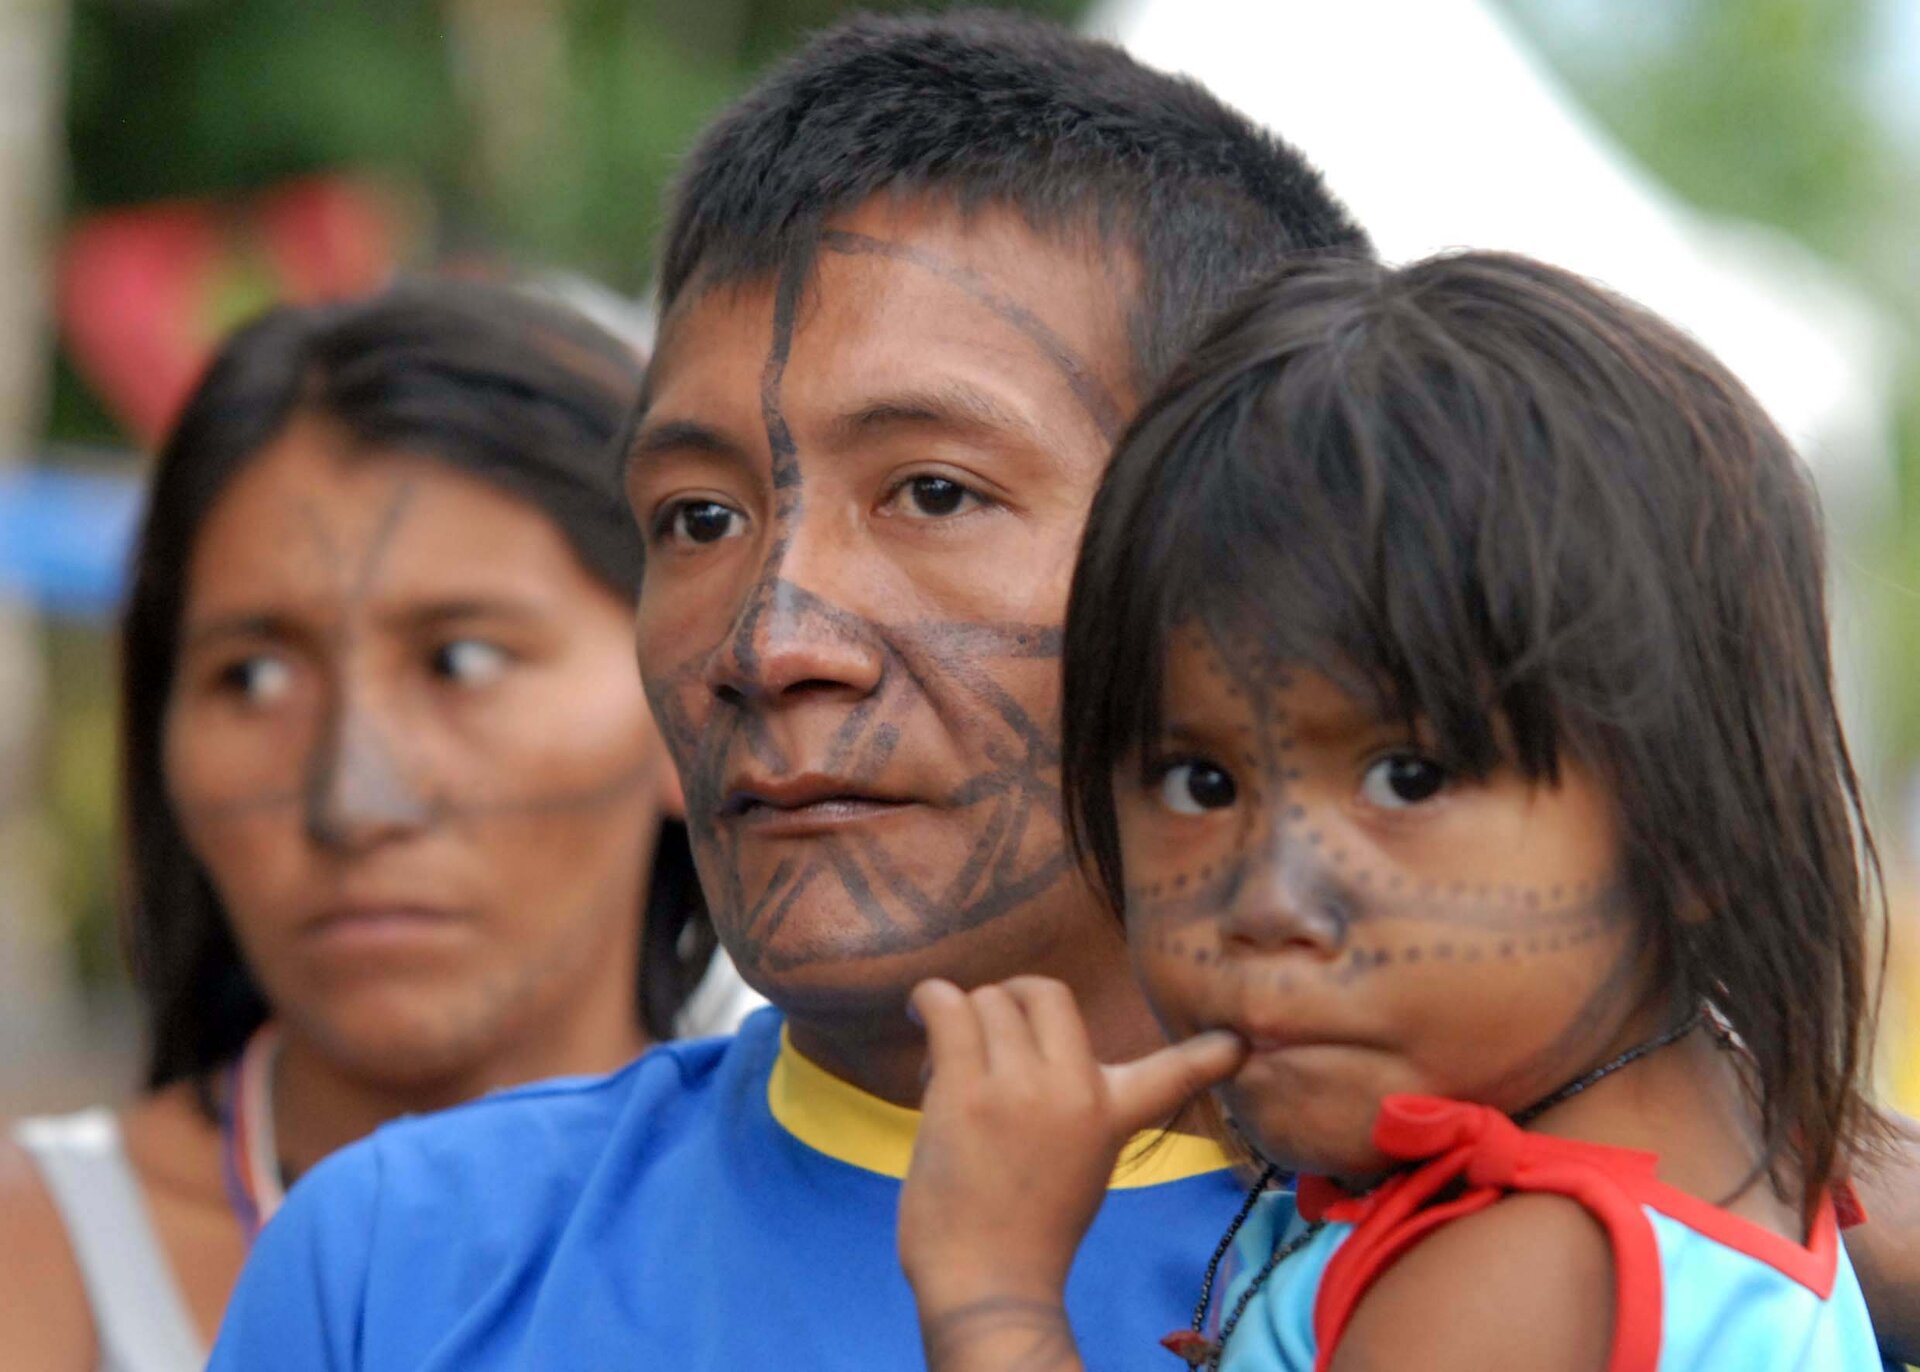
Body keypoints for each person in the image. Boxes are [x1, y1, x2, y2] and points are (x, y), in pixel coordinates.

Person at [210, 12, 1920, 1368]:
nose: (770, 632)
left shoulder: (1613, 1236)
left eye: (937, 491)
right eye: (698, 517)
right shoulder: (400, 1265)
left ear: (1240, 529)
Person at [898, 250, 1888, 1370]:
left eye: (1407, 779)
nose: (1269, 899)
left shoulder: (1515, 1277)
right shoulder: (1722, 1131)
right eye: (1199, 784)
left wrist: (994, 1289)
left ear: (1702, 825)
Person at [0, 279, 741, 1371]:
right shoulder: (39, 1261)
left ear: (692, 699)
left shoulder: (897, 1235)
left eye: (464, 660)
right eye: (251, 677)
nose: (355, 802)